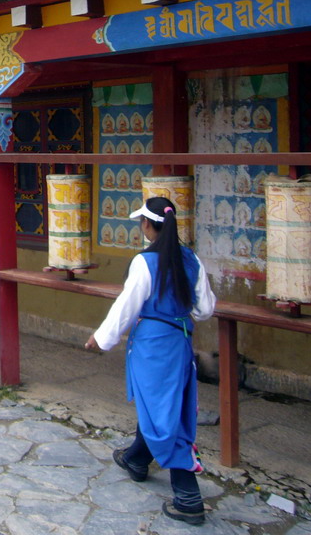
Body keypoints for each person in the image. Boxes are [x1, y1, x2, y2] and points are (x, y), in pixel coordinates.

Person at [85, 197, 216, 527]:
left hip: (153, 347)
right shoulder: (191, 260)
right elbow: (204, 310)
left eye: (141, 221)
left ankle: (188, 498)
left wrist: (101, 338)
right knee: (165, 406)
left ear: (147, 225)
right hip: (180, 342)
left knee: (163, 413)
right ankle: (137, 459)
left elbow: (126, 306)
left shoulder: (145, 263)